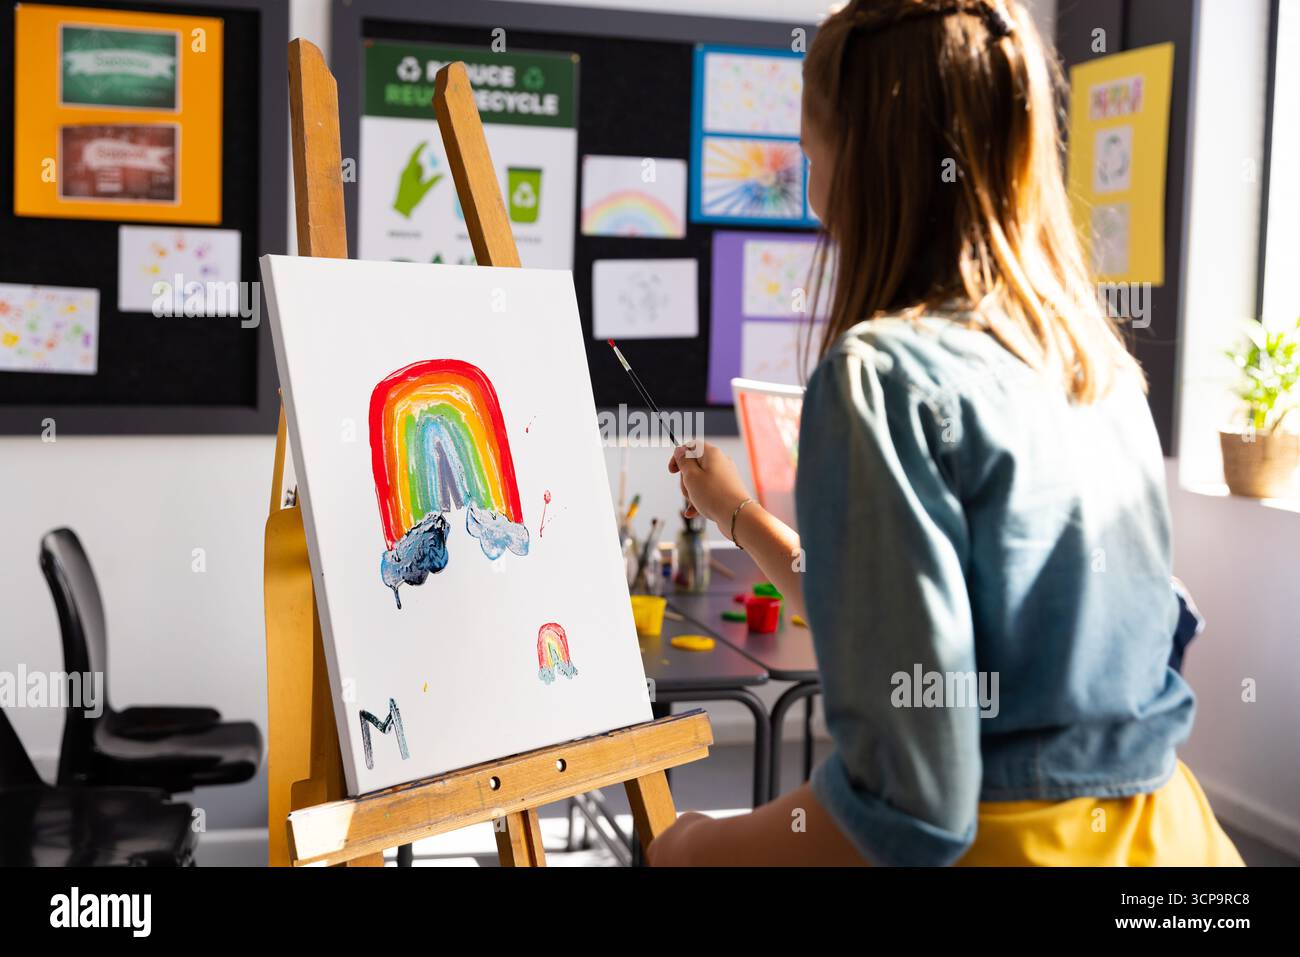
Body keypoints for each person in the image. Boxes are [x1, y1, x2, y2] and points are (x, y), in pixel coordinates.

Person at [648, 0, 1241, 866]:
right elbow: (889, 614)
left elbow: (910, 806)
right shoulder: (1093, 361)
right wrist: (733, 509)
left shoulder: (879, 376)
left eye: (811, 153)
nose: (811, 195)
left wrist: (695, 848)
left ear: (867, 160)